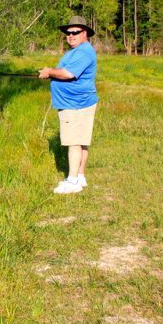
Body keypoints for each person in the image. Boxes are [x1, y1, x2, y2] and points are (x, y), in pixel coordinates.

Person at [38, 16, 98, 194]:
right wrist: (51, 74)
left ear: (84, 33)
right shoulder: (78, 51)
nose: (70, 35)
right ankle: (80, 176)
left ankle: (72, 181)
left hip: (75, 104)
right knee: (81, 141)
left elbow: (68, 74)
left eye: (75, 32)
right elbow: (64, 73)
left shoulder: (84, 51)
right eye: (68, 33)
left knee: (74, 142)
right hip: (79, 102)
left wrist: (50, 71)